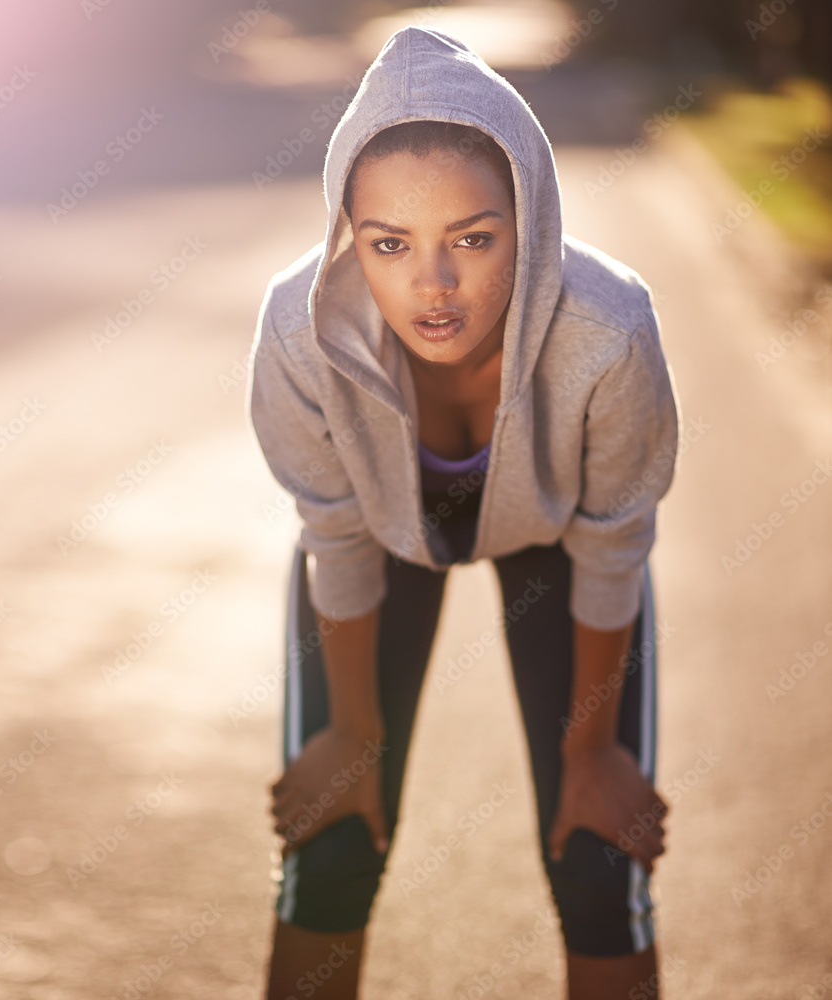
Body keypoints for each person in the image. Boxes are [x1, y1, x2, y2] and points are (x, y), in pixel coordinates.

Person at [246, 24, 680, 1000]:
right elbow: (340, 536)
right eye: (388, 244)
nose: (431, 286)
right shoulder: (297, 330)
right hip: (378, 546)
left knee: (599, 863)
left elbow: (614, 542)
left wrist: (591, 750)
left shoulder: (607, 329)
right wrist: (351, 733)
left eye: (472, 240)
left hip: (564, 543)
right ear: (347, 233)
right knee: (332, 847)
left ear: (528, 221)